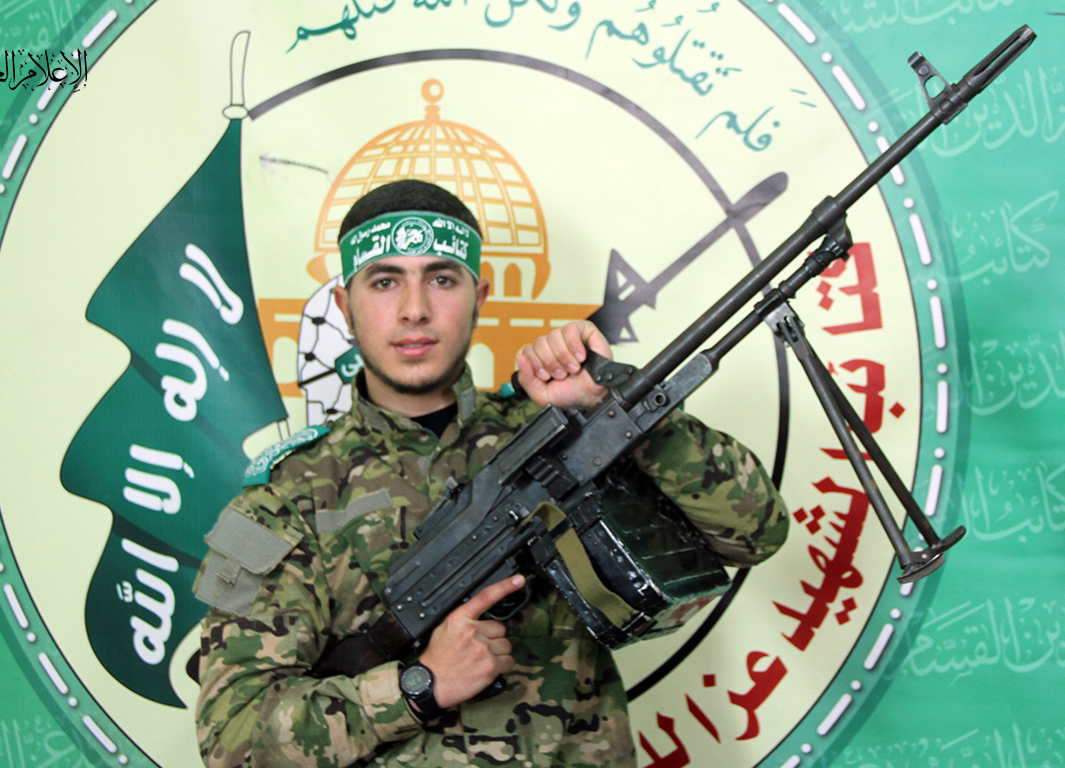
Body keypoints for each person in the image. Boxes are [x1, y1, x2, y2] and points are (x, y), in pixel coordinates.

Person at [193, 179, 788, 768]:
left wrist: (611, 406)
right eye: (384, 281)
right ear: (345, 307)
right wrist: (417, 688)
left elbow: (757, 533)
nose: (415, 309)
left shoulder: (556, 429)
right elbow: (231, 740)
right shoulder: (283, 498)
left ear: (479, 295)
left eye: (441, 279)